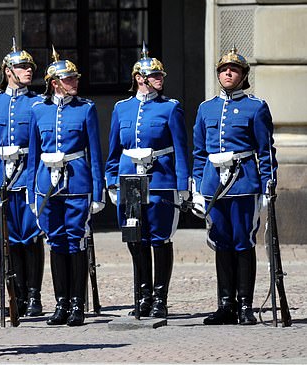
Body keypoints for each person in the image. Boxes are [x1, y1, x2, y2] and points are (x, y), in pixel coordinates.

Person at [105, 43, 190, 319]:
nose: (159, 80)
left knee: (160, 239)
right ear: (139, 78)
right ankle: (141, 296)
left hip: (161, 180)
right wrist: (111, 180)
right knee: (135, 238)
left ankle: (159, 298)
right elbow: (114, 150)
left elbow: (180, 147)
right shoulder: (122, 109)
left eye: (160, 76)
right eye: (154, 76)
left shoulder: (170, 108)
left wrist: (183, 186)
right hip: (130, 179)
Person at [192, 47, 276, 326]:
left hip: (242, 183)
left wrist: (267, 184)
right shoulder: (206, 108)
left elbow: (265, 150)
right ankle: (225, 305)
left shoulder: (256, 107)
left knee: (243, 242)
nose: (228, 73)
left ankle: (245, 305)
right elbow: (199, 152)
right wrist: (196, 187)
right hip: (213, 184)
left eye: (234, 70)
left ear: (243, 76)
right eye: (223, 70)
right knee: (221, 242)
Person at [27, 47, 105, 326]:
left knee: (75, 240)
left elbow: (94, 153)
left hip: (76, 182)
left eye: (75, 78)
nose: (75, 82)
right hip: (46, 184)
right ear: (54, 82)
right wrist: (30, 192)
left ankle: (77, 304)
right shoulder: (38, 110)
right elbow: (33, 154)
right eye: (69, 79)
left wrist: (98, 192)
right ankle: (61, 303)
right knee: (56, 241)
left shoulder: (86, 109)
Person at [0, 41, 45, 316]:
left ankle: (34, 295)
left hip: (28, 175)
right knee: (8, 237)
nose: (28, 71)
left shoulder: (38, 103)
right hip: (1, 175)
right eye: (22, 67)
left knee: (32, 235)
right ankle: (15, 294)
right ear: (8, 71)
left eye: (30, 66)